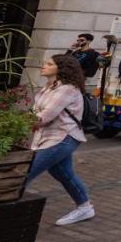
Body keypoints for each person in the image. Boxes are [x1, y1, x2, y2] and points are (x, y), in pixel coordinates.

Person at [26, 53, 94, 226]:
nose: (44, 65)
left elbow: (44, 117)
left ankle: (2, 209)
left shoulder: (67, 89)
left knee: (26, 172)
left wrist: (13, 123)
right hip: (50, 136)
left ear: (60, 69)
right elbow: (36, 113)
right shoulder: (49, 87)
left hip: (62, 137)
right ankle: (85, 207)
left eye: (49, 63)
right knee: (63, 173)